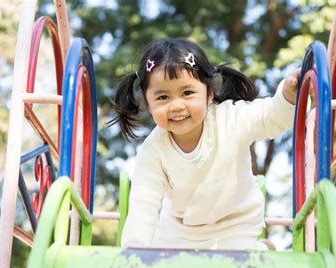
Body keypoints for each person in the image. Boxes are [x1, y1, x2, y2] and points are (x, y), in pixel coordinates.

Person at [109, 38, 300, 250]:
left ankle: (261, 249)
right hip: (179, 229)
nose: (176, 105)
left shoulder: (231, 118)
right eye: (163, 97)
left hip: (235, 223)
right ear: (148, 104)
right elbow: (143, 204)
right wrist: (135, 250)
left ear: (208, 94)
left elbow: (271, 117)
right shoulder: (154, 149)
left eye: (187, 93)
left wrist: (288, 95)